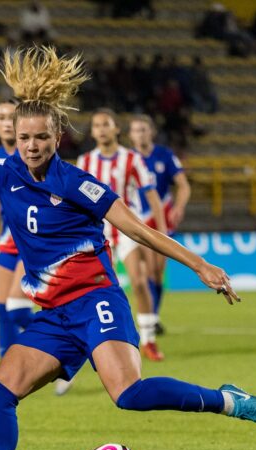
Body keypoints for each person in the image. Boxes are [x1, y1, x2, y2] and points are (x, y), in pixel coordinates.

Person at [0, 46, 256, 450]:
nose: (32, 146)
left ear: (58, 136)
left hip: (95, 300)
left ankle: (228, 400)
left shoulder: (76, 183)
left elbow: (138, 229)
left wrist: (200, 264)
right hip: (54, 315)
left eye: (41, 137)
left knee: (129, 394)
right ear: (14, 138)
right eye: (24, 138)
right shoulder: (4, 172)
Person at [77, 109, 164, 363]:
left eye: (106, 124)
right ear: (92, 132)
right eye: (97, 125)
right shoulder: (85, 162)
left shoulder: (132, 159)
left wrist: (160, 233)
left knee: (139, 281)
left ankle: (148, 339)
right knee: (101, 289)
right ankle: (105, 340)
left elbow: (151, 194)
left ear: (116, 129)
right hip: (98, 232)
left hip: (127, 230)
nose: (102, 129)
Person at [0, 98, 35, 357]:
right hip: (7, 241)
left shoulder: (33, 154)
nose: (5, 123)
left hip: (32, 242)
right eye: (0, 117)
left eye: (10, 117)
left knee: (17, 309)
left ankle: (65, 346)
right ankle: (8, 371)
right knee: (3, 311)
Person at [129, 114, 191, 335]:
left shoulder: (165, 155)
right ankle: (149, 319)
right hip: (137, 218)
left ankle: (152, 316)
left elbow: (183, 185)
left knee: (157, 271)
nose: (140, 134)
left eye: (143, 129)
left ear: (152, 132)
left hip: (161, 217)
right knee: (146, 270)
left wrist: (179, 207)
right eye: (136, 130)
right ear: (130, 135)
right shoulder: (128, 158)